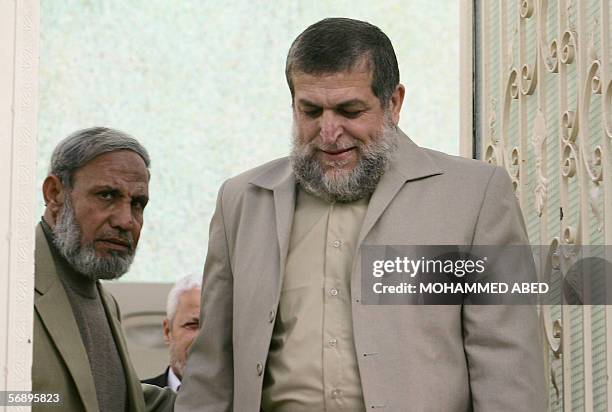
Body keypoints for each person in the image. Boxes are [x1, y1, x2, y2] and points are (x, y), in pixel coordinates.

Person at [176, 18, 546, 412]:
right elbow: (211, 373)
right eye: (311, 111)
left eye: (350, 110)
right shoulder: (242, 201)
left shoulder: (475, 196)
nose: (329, 131)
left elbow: (510, 367)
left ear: (394, 103)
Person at [33, 127, 175, 411]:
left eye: (138, 204)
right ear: (55, 193)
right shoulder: (13, 285)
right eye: (107, 196)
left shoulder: (104, 300)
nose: (126, 221)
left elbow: (105, 395)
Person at [143, 274, 202, 391]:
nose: (202, 338)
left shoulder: (244, 401)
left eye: (213, 328)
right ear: (167, 331)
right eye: (192, 325)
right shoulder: (135, 399)